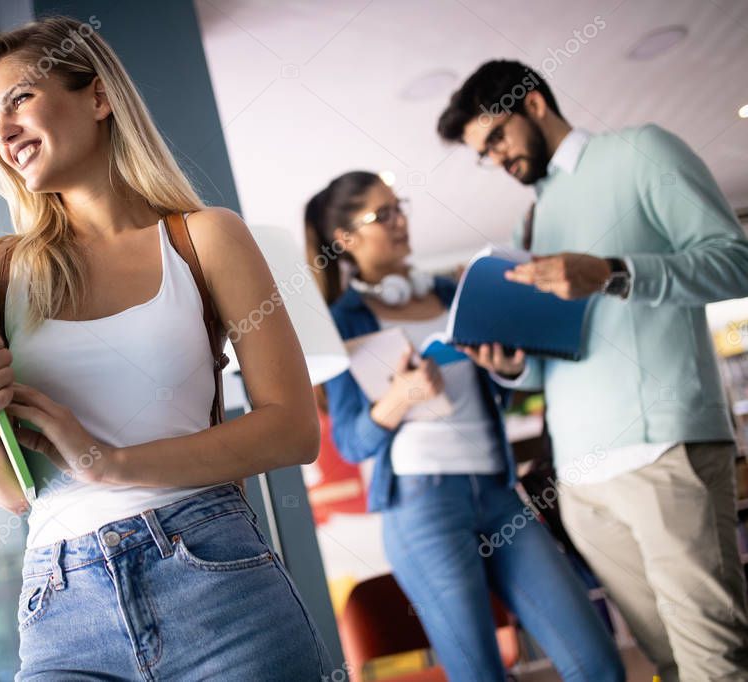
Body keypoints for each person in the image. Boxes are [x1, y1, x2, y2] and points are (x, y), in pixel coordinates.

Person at [0, 15, 333, 679]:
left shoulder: (203, 239)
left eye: (19, 100)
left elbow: (293, 430)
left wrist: (108, 463)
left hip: (214, 577)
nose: (2, 132)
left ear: (97, 98)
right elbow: (13, 492)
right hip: (61, 603)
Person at [437, 59, 748, 680]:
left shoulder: (641, 150)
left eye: (495, 138)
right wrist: (512, 366)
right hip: (581, 478)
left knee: (713, 658)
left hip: (661, 449)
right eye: (482, 153)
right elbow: (554, 357)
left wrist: (613, 271)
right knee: (664, 660)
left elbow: (734, 262)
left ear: (533, 106)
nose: (495, 158)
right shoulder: (533, 219)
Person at [314, 171, 623, 681]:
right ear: (345, 240)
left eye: (399, 206)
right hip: (422, 506)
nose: (400, 220)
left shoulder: (453, 291)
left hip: (498, 493)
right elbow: (350, 440)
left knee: (597, 661)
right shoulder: (343, 320)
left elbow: (496, 391)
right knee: (480, 675)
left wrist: (504, 368)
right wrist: (401, 397)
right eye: (382, 214)